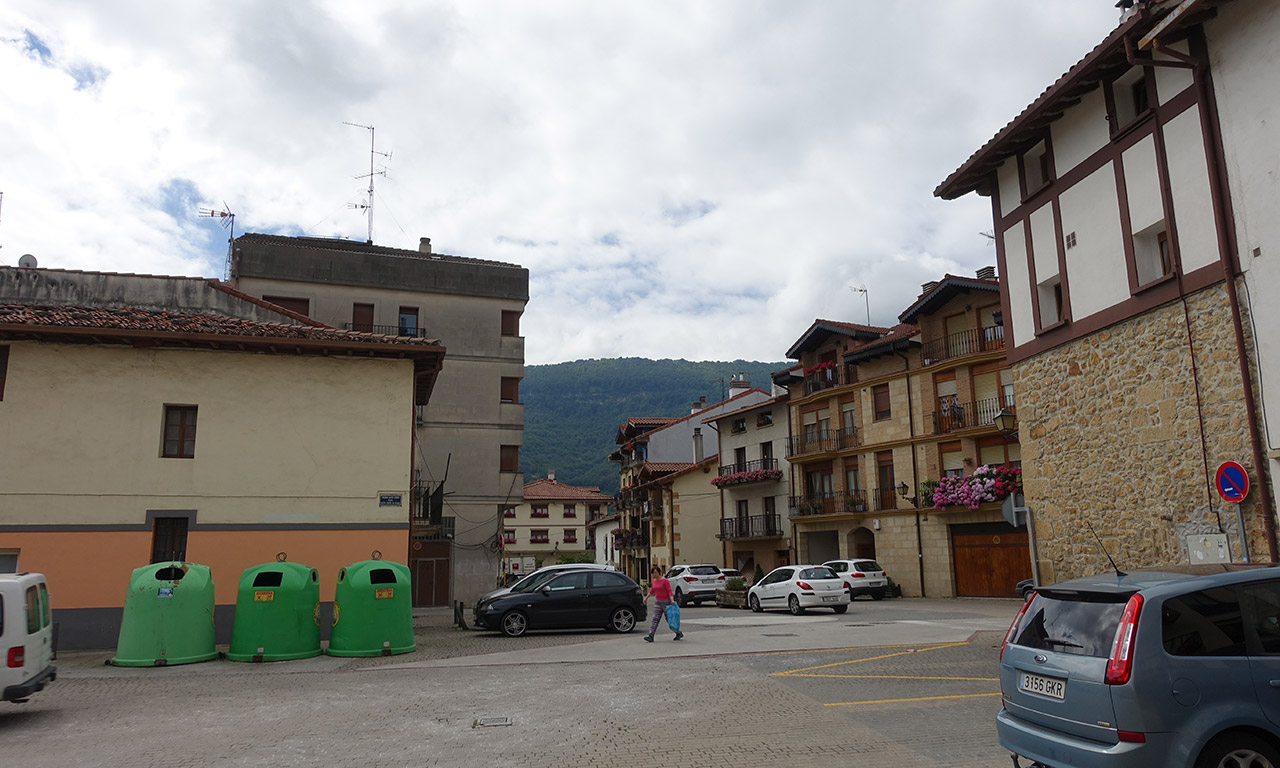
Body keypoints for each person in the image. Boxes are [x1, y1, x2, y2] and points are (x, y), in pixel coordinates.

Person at [642, 565, 683, 642]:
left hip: (666, 602)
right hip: (658, 602)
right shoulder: (654, 581)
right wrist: (646, 598)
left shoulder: (665, 581)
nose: (654, 574)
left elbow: (669, 591)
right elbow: (652, 591)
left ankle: (678, 632)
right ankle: (651, 635)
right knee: (655, 618)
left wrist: (672, 600)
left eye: (655, 572)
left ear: (659, 572)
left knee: (669, 619)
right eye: (653, 573)